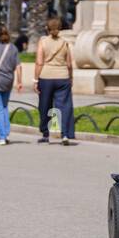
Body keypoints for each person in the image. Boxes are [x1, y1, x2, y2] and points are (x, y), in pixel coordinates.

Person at [34, 16, 75, 144]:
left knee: (45, 105)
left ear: (47, 28)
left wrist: (35, 80)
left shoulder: (43, 42)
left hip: (46, 77)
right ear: (60, 28)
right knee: (64, 106)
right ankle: (65, 134)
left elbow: (39, 62)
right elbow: (69, 63)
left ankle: (45, 133)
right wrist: (71, 77)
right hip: (62, 77)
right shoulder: (64, 42)